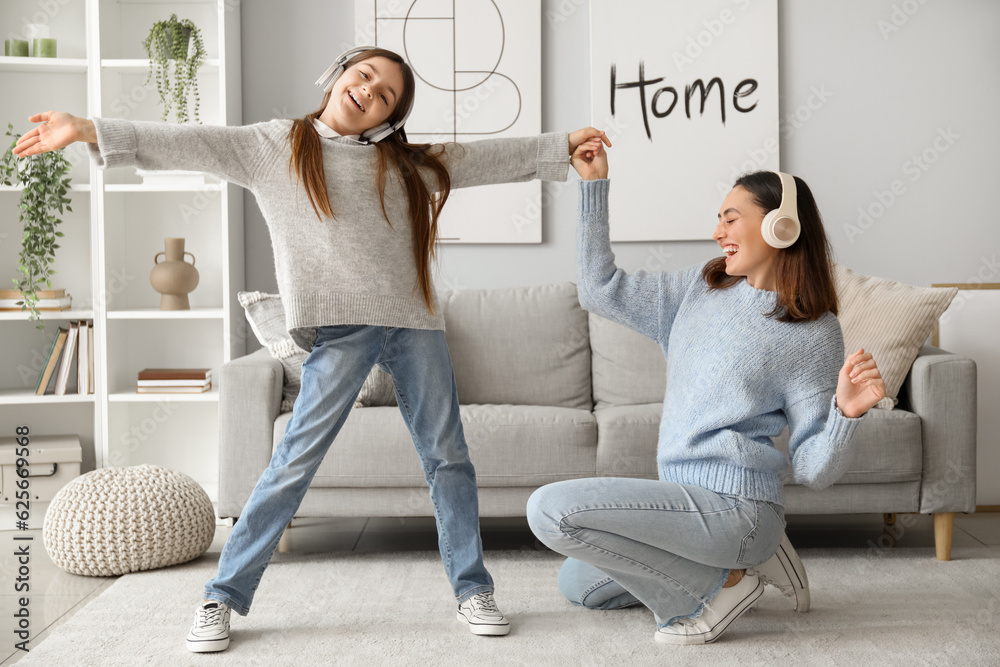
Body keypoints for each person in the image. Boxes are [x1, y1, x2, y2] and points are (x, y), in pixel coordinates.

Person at [14, 46, 610, 653]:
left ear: (388, 117)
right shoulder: (275, 145)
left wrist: (562, 145)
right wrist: (88, 128)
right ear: (338, 75)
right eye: (366, 76)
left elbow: (483, 159)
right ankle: (221, 598)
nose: (370, 92)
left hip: (413, 325)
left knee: (448, 459)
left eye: (386, 96)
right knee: (294, 462)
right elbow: (189, 140)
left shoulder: (406, 164)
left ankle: (472, 590)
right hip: (339, 329)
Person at [526, 137, 886, 645]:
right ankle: (747, 564)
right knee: (580, 583)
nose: (717, 232)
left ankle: (727, 586)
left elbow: (811, 469)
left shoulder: (812, 330)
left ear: (779, 225)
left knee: (550, 510)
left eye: (731, 218)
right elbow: (598, 289)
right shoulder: (700, 288)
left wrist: (845, 415)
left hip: (737, 509)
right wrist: (594, 187)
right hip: (685, 503)